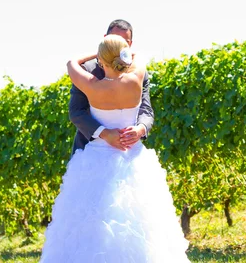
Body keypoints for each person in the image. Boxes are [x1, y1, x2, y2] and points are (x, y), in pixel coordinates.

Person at [40, 34, 190, 262]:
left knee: (92, 221)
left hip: (96, 158)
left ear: (101, 60)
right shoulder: (136, 78)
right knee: (141, 220)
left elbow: (71, 63)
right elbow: (138, 58)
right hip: (132, 157)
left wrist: (97, 54)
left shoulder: (92, 85)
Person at [69, 19, 154, 154]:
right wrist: (104, 133)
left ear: (129, 45)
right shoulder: (87, 69)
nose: (117, 45)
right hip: (88, 149)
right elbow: (76, 112)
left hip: (128, 152)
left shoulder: (89, 81)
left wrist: (141, 129)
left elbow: (146, 108)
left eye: (123, 42)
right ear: (105, 39)